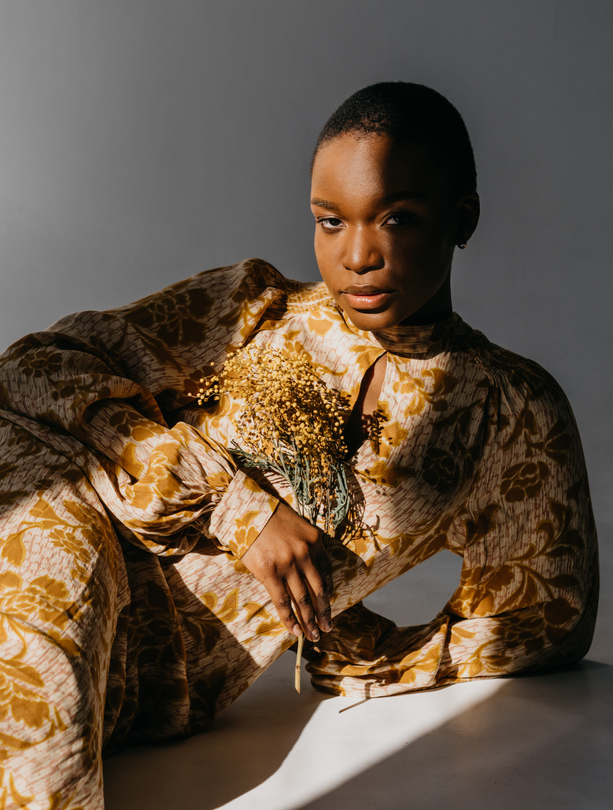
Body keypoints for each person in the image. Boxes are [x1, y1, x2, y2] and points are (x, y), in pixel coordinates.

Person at [0, 82, 598, 809]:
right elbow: (34, 366)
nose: (357, 255)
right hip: (44, 524)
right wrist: (235, 507)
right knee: (63, 546)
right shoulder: (254, 305)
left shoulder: (509, 409)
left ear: (461, 218)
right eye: (328, 221)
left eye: (396, 219)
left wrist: (386, 656)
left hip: (147, 687)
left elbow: (548, 616)